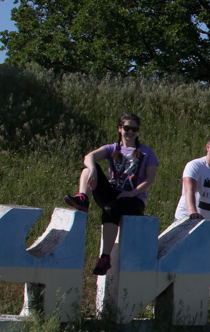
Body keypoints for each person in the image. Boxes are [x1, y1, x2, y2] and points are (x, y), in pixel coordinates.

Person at [63, 113, 159, 276]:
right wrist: (93, 169)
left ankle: (105, 257)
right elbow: (89, 157)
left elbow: (150, 179)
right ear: (120, 129)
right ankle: (82, 198)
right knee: (87, 169)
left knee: (111, 209)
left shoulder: (146, 152)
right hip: (112, 192)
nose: (130, 132)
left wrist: (131, 193)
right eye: (127, 128)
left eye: (134, 129)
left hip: (134, 199)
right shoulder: (113, 148)